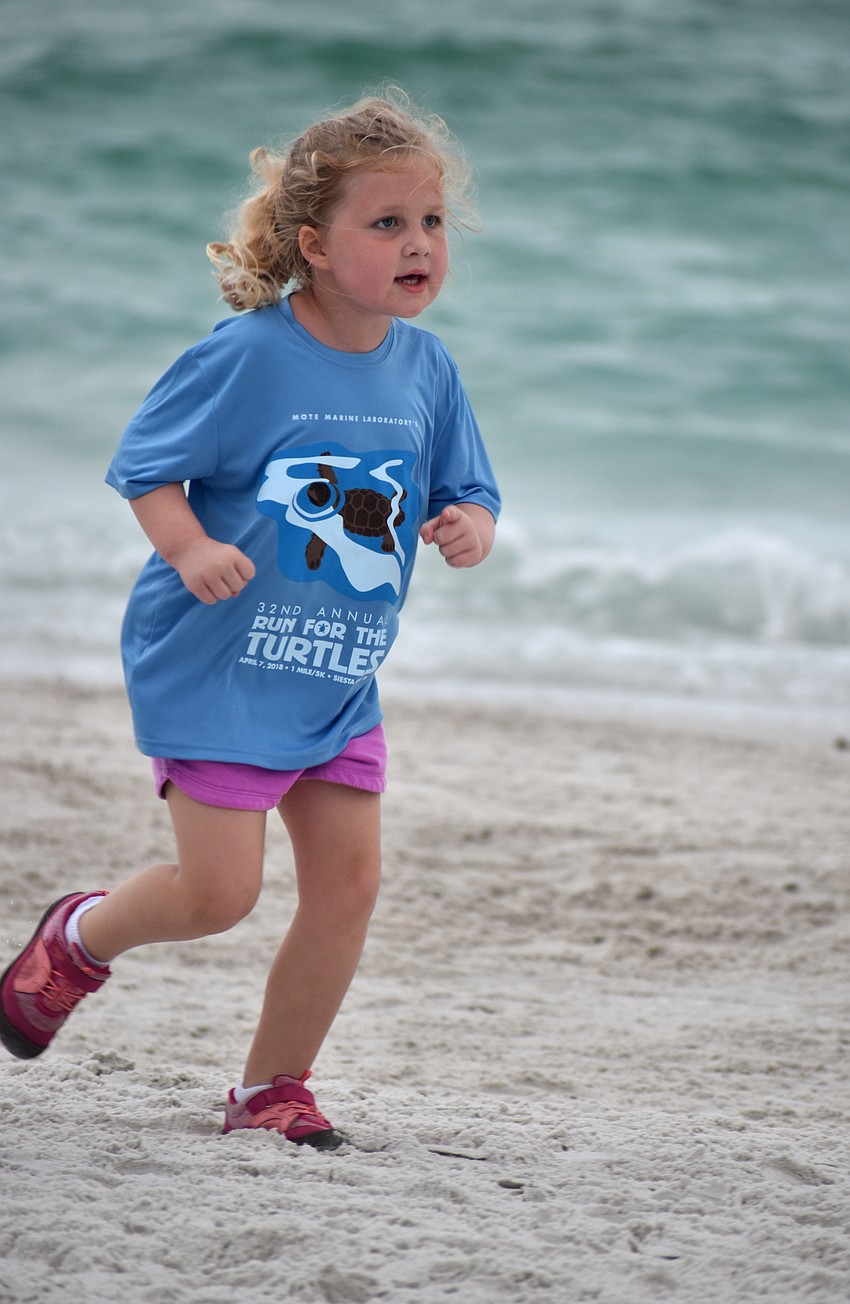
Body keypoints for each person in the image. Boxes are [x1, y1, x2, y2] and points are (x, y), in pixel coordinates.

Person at [0, 91, 500, 1148]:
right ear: (314, 245)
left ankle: (271, 1087)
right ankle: (79, 938)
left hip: (337, 673)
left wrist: (469, 526)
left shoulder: (429, 367)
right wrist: (187, 546)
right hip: (220, 666)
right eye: (387, 223)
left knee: (349, 886)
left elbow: (469, 486)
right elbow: (146, 468)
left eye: (432, 223)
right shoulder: (245, 354)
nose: (419, 244)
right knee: (218, 892)